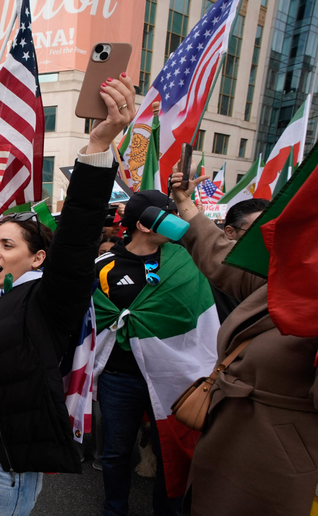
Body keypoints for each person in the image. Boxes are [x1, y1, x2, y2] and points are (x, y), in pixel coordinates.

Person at [0, 74, 135, 515]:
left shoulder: (49, 303)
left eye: (8, 245)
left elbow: (80, 234)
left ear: (38, 258)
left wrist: (98, 146)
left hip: (1, 452)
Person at [170, 170, 318, 516]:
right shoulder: (291, 280)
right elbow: (221, 258)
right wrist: (185, 204)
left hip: (275, 469)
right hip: (224, 443)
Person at [93, 187, 219, 516]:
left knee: (172, 451)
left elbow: (201, 318)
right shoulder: (103, 266)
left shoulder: (186, 263)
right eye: (171, 214)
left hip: (175, 377)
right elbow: (91, 318)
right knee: (117, 452)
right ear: (146, 225)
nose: (179, 221)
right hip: (119, 378)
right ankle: (114, 510)